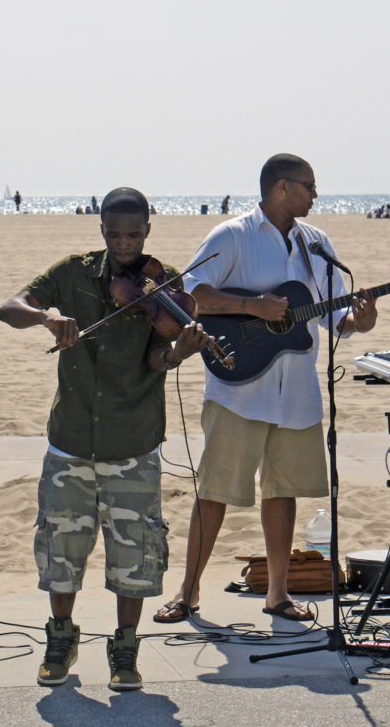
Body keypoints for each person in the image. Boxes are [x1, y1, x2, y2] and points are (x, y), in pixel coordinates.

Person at [0, 187, 208, 690]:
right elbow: (10, 307)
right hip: (71, 436)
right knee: (61, 545)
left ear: (148, 230)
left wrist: (178, 353)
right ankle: (61, 639)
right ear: (101, 230)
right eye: (114, 234)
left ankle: (125, 650)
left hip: (132, 438)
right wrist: (46, 317)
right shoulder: (72, 272)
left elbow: (155, 361)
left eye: (133, 234)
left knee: (134, 550)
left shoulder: (164, 283)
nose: (124, 244)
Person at [154, 153, 378, 625]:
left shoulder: (317, 244)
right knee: (213, 491)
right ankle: (187, 592)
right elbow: (191, 295)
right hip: (238, 388)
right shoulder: (231, 235)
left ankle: (277, 594)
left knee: (285, 491)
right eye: (309, 186)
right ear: (281, 187)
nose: (315, 194)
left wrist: (361, 319)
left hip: (296, 393)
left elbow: (338, 319)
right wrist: (255, 307)